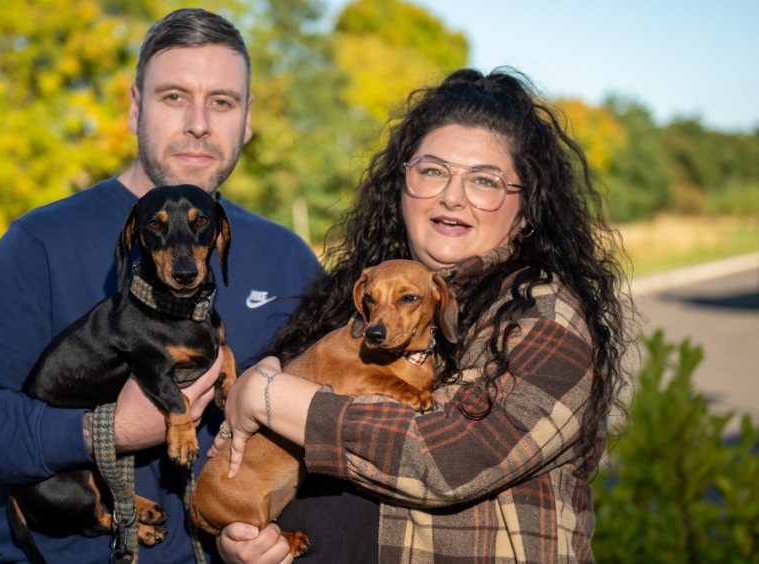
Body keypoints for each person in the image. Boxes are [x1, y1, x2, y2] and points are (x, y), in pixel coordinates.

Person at [0, 8, 321, 563]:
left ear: (247, 119)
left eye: (222, 102)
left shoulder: (287, 259)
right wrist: (108, 429)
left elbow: (326, 438)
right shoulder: (42, 242)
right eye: (174, 97)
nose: (199, 122)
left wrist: (271, 539)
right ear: (133, 107)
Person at [213, 68, 633, 563]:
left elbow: (449, 461)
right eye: (432, 171)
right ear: (402, 184)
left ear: (525, 211)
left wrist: (273, 395)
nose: (452, 196)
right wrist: (244, 538)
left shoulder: (546, 317)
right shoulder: (362, 295)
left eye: (485, 180)